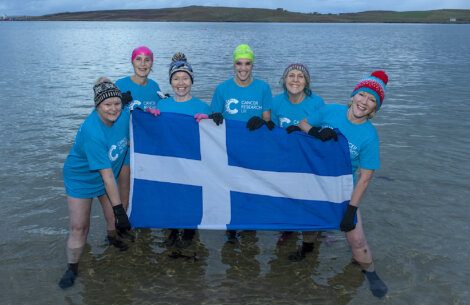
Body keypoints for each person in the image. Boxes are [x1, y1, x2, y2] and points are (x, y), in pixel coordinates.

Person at [295, 70, 389, 298]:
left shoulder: (369, 136)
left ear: (375, 109)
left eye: (371, 101)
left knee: (356, 238)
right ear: (354, 95)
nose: (364, 102)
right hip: (316, 181)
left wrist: (351, 210)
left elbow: (365, 178)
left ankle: (370, 271)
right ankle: (307, 250)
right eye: (362, 95)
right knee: (310, 223)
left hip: (344, 189)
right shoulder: (331, 111)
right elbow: (302, 123)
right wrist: (315, 131)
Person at [58, 78, 132, 289]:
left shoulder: (124, 114)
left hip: (106, 175)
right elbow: (107, 176)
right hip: (81, 178)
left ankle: (112, 240)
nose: (113, 109)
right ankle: (72, 267)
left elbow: (142, 109)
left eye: (117, 103)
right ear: (97, 106)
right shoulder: (93, 131)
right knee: (79, 227)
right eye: (107, 105)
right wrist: (120, 211)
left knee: (112, 221)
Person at [209, 43, 273, 243]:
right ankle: (231, 227)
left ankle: (250, 225)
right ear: (233, 65)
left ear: (252, 65)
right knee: (230, 186)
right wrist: (215, 117)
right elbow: (212, 119)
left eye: (247, 63)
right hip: (229, 148)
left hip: (253, 149)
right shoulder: (223, 88)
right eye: (239, 63)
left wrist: (262, 122)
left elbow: (268, 120)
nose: (243, 68)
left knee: (251, 187)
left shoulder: (263, 87)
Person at [145, 52, 210, 248]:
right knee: (170, 196)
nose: (180, 83)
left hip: (193, 164)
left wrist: (209, 122)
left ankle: (190, 233)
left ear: (191, 80)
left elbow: (214, 140)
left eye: (185, 78)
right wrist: (148, 119)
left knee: (190, 198)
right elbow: (155, 138)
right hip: (169, 163)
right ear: (171, 82)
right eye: (176, 78)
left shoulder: (202, 106)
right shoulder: (162, 105)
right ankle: (172, 231)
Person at [268, 63, 326, 261]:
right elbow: (273, 135)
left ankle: (311, 241)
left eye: (300, 76)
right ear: (284, 80)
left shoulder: (316, 103)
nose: (295, 80)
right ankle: (288, 229)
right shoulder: (276, 103)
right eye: (291, 75)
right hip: (285, 161)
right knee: (286, 198)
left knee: (309, 202)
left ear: (306, 81)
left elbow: (323, 133)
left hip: (308, 163)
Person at [116, 45, 165, 111]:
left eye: (147, 60)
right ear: (132, 62)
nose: (142, 64)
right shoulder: (120, 85)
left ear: (151, 63)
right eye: (138, 59)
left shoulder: (155, 86)